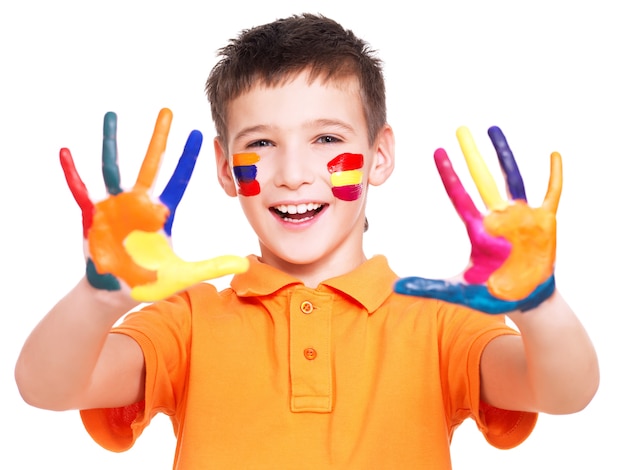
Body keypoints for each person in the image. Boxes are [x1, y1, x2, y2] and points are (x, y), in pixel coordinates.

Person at [15, 13, 599, 469]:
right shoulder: (188, 322)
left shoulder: (440, 321)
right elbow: (46, 387)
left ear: (380, 154)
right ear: (224, 167)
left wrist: (540, 304)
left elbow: (566, 392)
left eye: (325, 137)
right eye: (262, 144)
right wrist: (101, 298)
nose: (293, 172)